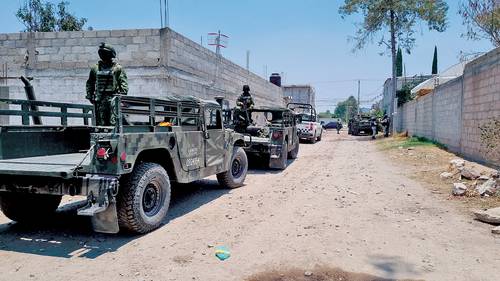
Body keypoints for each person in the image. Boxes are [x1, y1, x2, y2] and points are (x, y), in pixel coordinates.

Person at [86, 42, 128, 126]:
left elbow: (123, 84)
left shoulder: (117, 68)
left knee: (113, 122)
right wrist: (90, 95)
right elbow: (90, 83)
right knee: (101, 123)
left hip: (113, 99)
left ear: (111, 54)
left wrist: (121, 96)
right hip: (100, 99)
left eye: (106, 53)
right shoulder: (95, 68)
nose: (103, 55)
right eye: (102, 53)